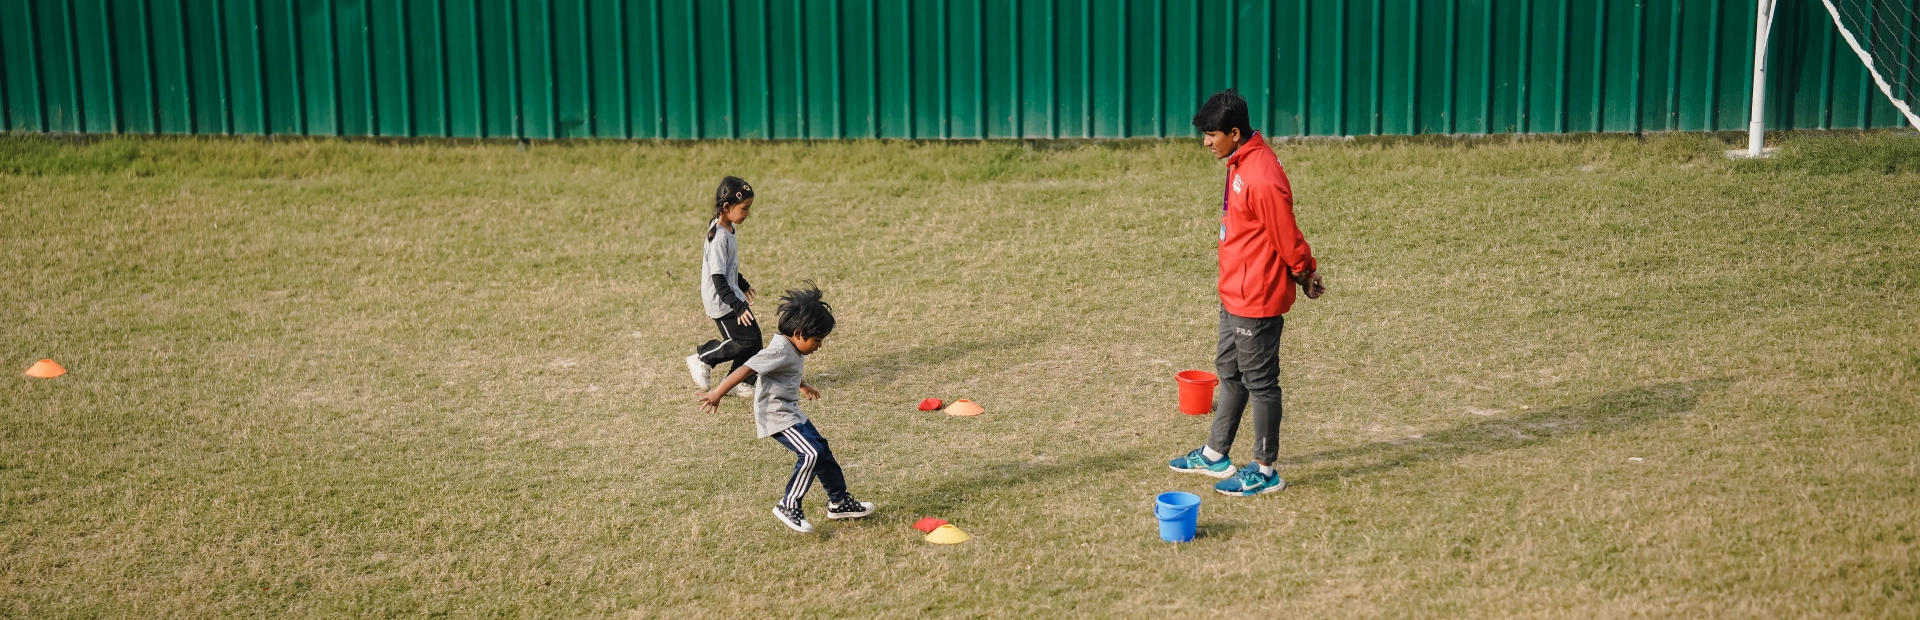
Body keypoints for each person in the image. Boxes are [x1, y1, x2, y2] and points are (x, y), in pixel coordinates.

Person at [1168, 89, 1326, 497]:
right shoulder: (1239, 160)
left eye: (1211, 135)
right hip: (1234, 292)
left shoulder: (1261, 175)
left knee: (1261, 383)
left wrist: (1305, 270)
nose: (1206, 142)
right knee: (1230, 372)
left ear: (1234, 133)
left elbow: (1286, 235)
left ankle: (1265, 469)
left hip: (1255, 298)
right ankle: (1215, 454)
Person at [694, 285, 875, 533]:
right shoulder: (779, 350)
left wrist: (802, 385)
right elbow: (746, 368)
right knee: (811, 453)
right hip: (775, 415)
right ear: (799, 333)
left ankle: (840, 502)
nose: (819, 346)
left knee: (822, 449)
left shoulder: (792, 347)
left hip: (790, 411)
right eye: (817, 340)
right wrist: (717, 393)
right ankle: (788, 505)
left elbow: (785, 371)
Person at [688, 176, 762, 398]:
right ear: (728, 207)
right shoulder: (719, 237)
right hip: (723, 300)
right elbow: (718, 279)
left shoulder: (727, 227)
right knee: (744, 341)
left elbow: (727, 268)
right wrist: (738, 306)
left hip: (732, 295)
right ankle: (703, 357)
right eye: (745, 208)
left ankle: (739, 381)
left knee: (754, 340)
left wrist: (742, 283)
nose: (748, 213)